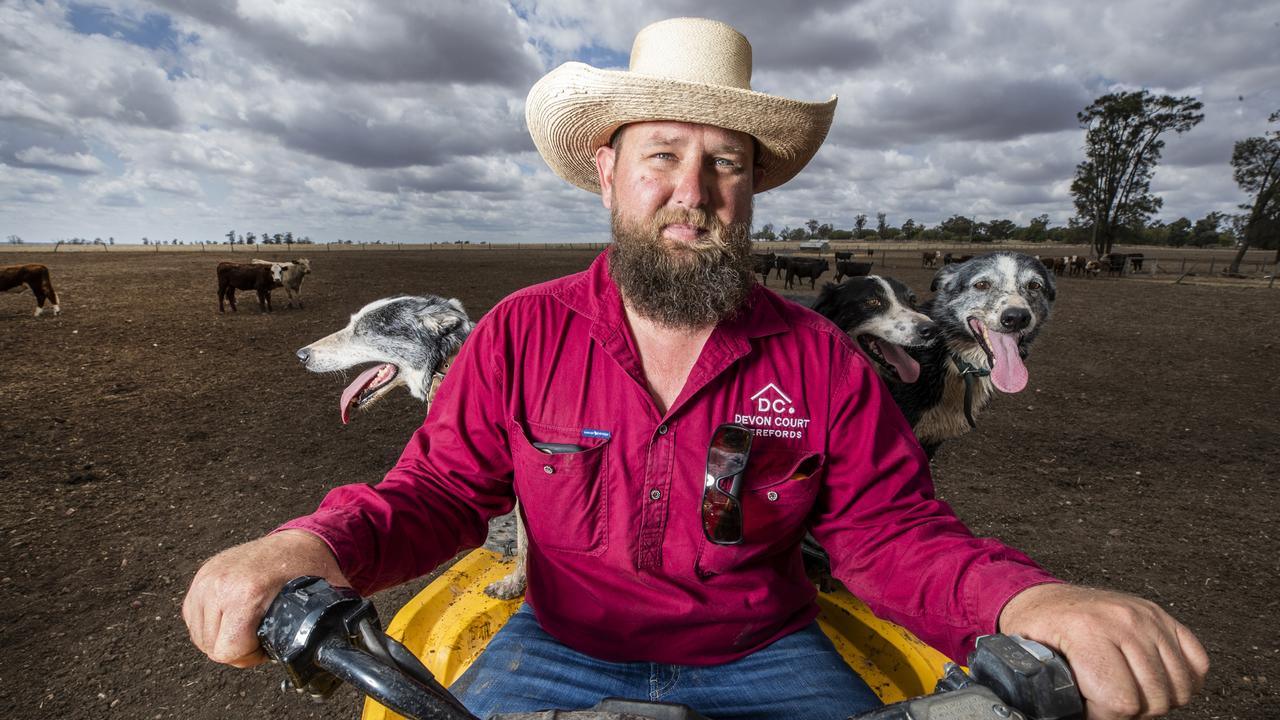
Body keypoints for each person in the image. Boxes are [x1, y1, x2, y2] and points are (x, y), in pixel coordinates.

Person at [184, 17, 1208, 720]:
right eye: (661, 156)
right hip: (555, 647)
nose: (692, 190)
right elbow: (439, 492)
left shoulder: (820, 361)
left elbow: (891, 534)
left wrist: (1029, 605)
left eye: (723, 162)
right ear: (608, 174)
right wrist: (306, 543)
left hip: (766, 659)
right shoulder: (519, 333)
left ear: (752, 185)